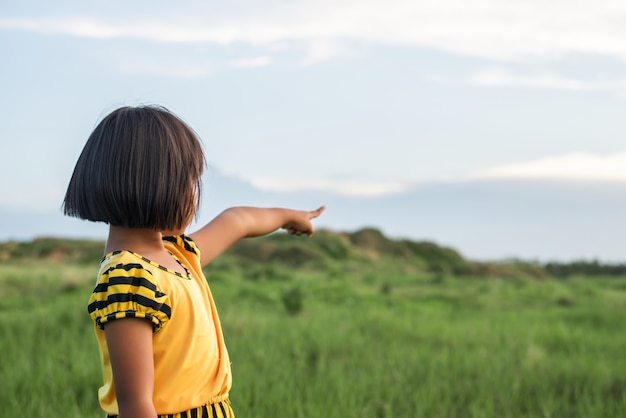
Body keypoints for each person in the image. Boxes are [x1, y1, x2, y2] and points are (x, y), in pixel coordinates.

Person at [63, 105, 325, 418]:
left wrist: (289, 216)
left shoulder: (176, 254)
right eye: (189, 182)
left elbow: (237, 220)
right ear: (156, 185)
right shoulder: (129, 278)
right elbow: (136, 405)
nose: (194, 195)